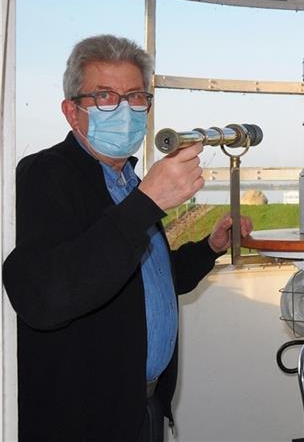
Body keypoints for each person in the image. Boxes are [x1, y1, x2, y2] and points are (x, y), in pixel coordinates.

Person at [2, 34, 254, 442]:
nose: (123, 109)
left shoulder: (127, 181)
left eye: (135, 97)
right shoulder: (45, 175)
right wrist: (147, 201)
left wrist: (210, 248)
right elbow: (45, 298)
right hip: (83, 419)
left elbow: (151, 278)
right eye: (104, 96)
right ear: (72, 112)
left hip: (145, 405)